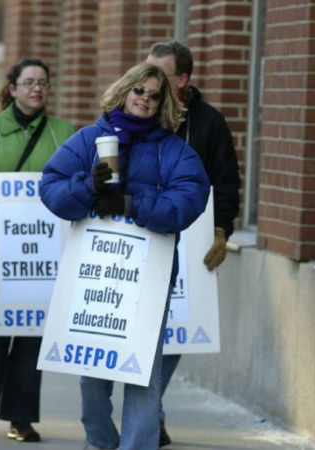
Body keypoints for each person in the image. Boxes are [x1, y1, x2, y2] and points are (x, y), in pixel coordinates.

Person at [38, 62, 209, 450]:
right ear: (124, 92)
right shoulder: (88, 140)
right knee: (92, 370)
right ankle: (99, 440)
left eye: (154, 95)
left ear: (163, 103)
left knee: (143, 372)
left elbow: (189, 201)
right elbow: (50, 188)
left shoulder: (174, 150)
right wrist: (87, 186)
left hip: (148, 275)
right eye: (139, 91)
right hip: (94, 273)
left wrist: (133, 202)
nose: (145, 100)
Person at [0, 57, 75, 442]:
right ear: (12, 88)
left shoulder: (64, 133)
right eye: (29, 82)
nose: (37, 89)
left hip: (43, 251)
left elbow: (75, 184)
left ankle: (21, 417)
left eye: (43, 82)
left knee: (33, 334)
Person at [146, 40, 241, 447]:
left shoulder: (208, 122)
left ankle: (152, 410)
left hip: (190, 242)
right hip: (144, 235)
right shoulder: (141, 111)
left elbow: (226, 181)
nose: (149, 83)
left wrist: (222, 230)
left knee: (176, 332)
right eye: (145, 71)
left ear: (183, 79)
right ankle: (149, 414)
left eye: (160, 74)